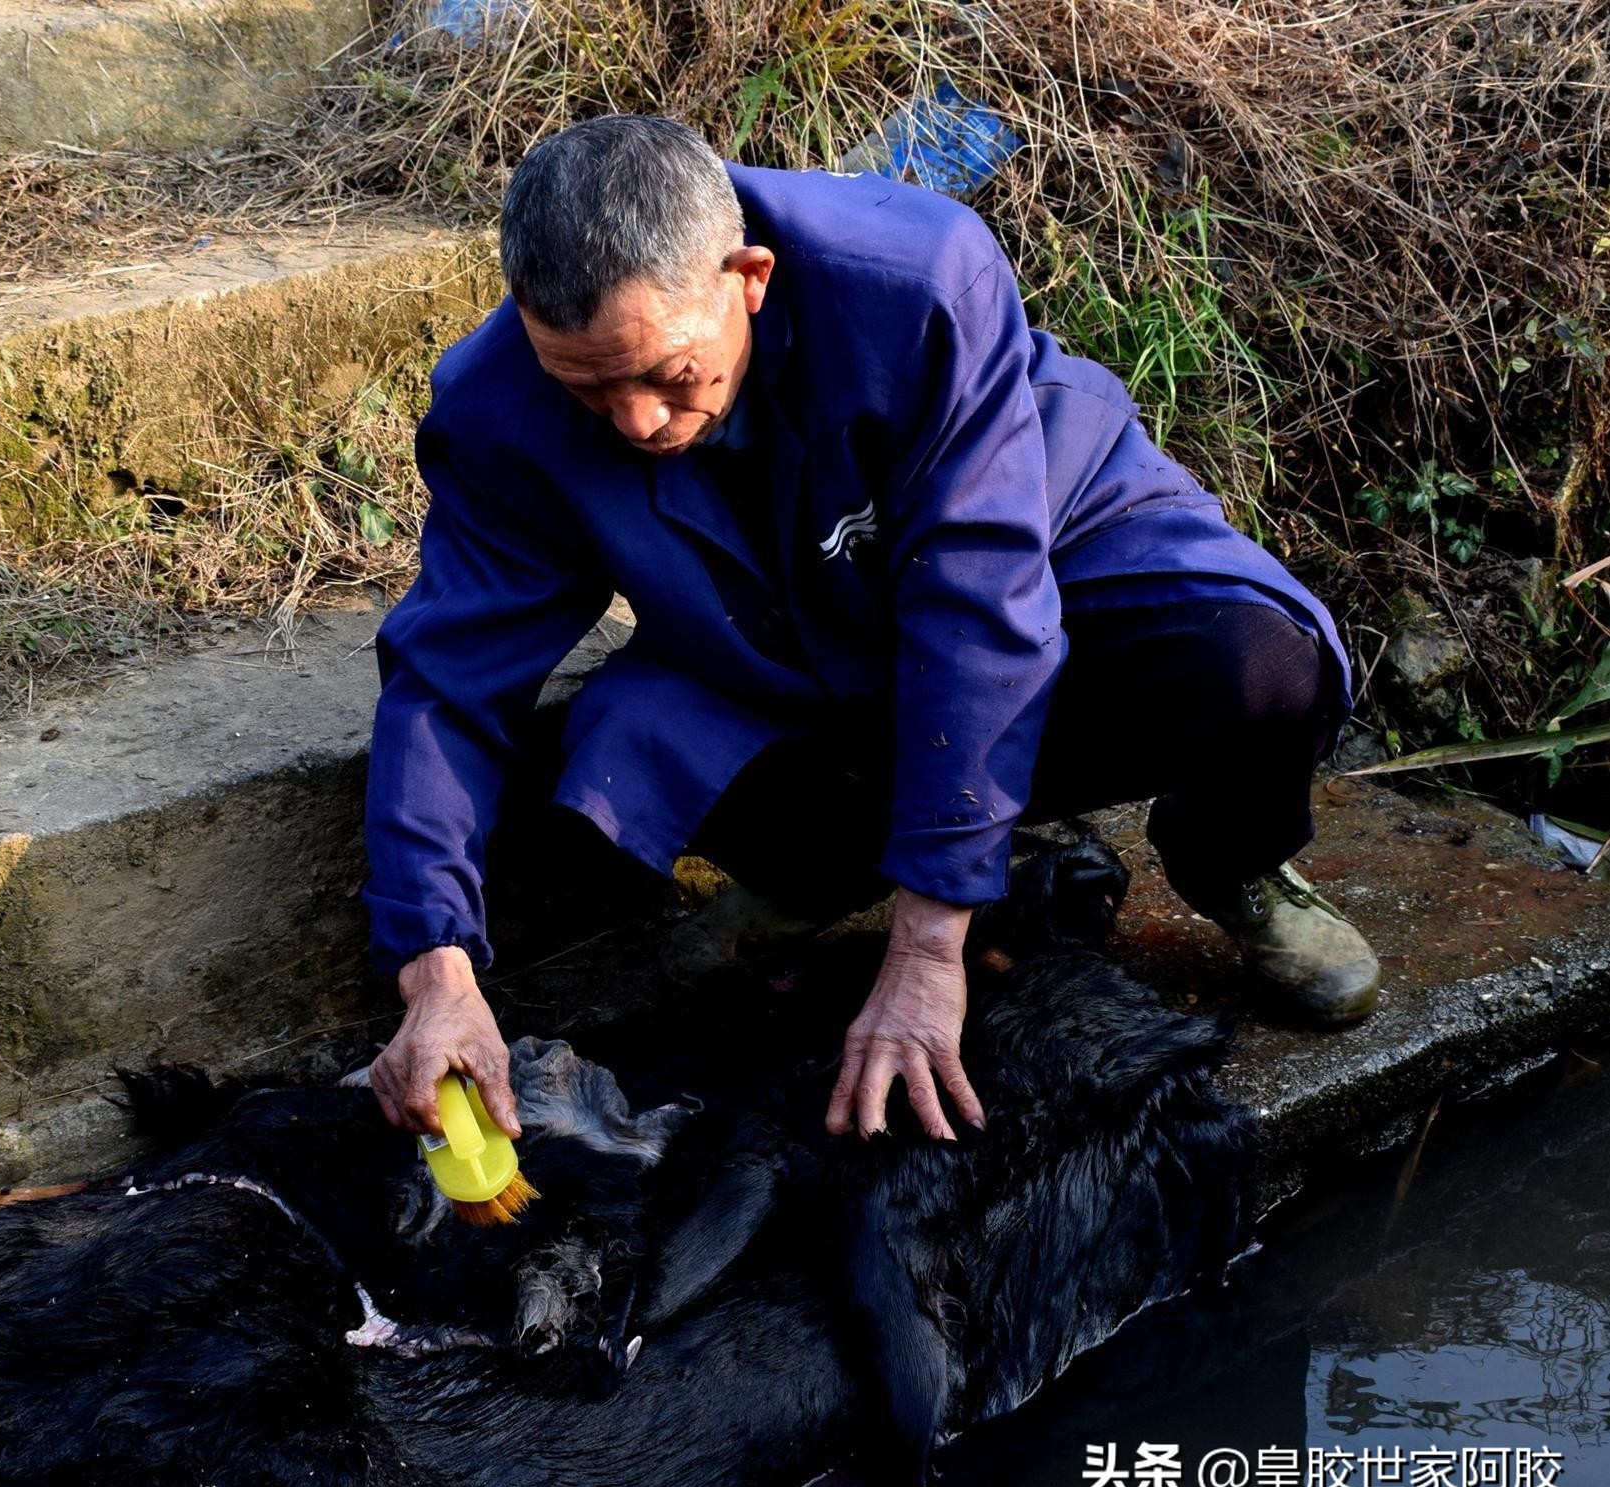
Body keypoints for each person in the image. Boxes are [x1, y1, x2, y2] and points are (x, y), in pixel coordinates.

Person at [359, 114, 1379, 1147]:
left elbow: (982, 603)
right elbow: (448, 677)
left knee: (1255, 667)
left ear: (747, 277)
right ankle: (825, 874)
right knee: (628, 746)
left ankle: (1229, 859)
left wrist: (928, 942)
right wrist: (434, 963)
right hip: (779, 621)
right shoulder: (496, 404)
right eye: (585, 388)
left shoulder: (915, 276)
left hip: (1043, 548)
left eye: (667, 377)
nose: (636, 425)